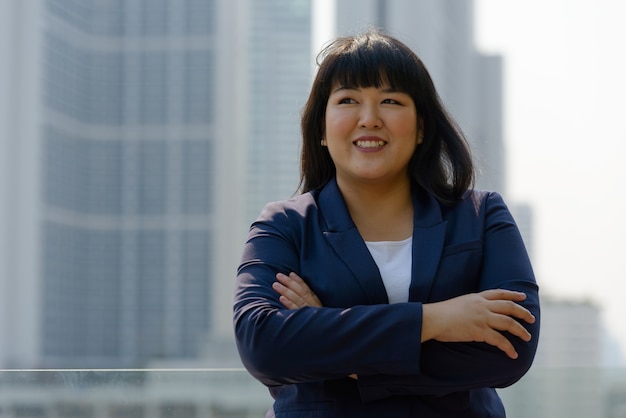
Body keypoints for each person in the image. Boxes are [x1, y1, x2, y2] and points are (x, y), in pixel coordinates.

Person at [234, 29, 540, 417]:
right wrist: (436, 319)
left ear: (422, 127)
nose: (369, 118)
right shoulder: (284, 226)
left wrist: (331, 338)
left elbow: (512, 350)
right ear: (321, 130)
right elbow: (263, 345)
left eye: (391, 100)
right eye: (348, 100)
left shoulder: (482, 217)